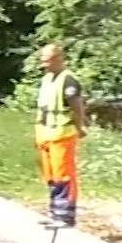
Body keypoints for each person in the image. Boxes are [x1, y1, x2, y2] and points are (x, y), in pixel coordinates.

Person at [34, 43, 89, 228]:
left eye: (47, 61)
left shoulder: (68, 80)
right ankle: (54, 212)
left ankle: (65, 216)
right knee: (51, 176)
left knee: (63, 176)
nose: (44, 65)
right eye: (42, 61)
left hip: (62, 134)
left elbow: (77, 105)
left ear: (58, 59)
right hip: (46, 134)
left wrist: (80, 126)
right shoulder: (47, 79)